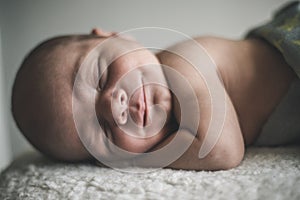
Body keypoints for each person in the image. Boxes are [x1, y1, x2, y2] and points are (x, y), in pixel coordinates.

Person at [11, 1, 300, 170]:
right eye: (103, 131)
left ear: (112, 36)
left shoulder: (181, 63)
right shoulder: (178, 129)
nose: (116, 108)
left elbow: (222, 151)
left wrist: (142, 160)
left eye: (100, 78)